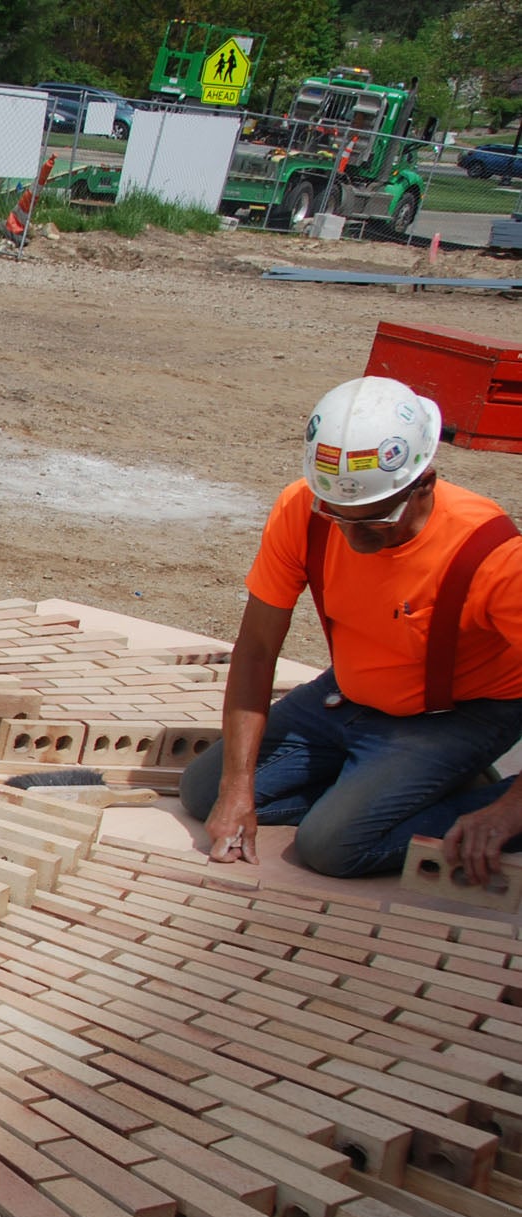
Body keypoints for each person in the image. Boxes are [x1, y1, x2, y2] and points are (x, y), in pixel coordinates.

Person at [183, 375, 522, 880]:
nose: (354, 536)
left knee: (332, 847)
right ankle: (399, 788)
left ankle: (469, 795)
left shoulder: (492, 555)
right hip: (349, 696)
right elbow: (255, 648)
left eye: (375, 521)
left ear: (425, 482)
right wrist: (237, 789)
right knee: (205, 791)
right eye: (338, 516)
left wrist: (509, 811)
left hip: (458, 715)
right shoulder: (302, 509)